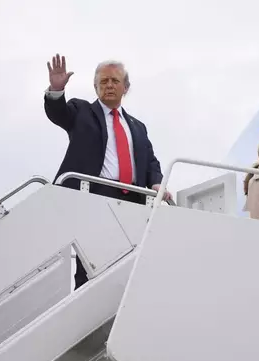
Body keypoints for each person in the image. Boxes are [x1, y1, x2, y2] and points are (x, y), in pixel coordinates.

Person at [44, 53, 170, 289]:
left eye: (114, 81)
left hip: (133, 199)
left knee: (130, 264)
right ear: (95, 87)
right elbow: (58, 113)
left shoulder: (137, 126)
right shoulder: (81, 111)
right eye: (103, 81)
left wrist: (156, 183)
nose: (109, 85)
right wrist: (56, 90)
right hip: (94, 194)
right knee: (91, 261)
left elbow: (150, 161)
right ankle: (83, 314)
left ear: (126, 87)